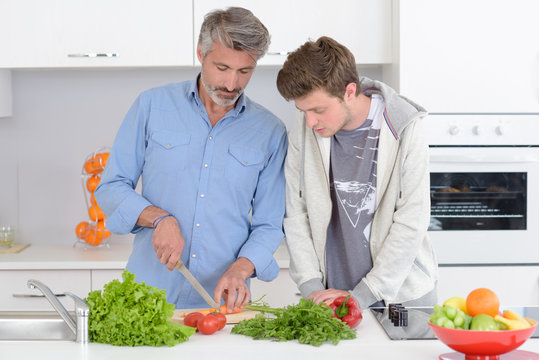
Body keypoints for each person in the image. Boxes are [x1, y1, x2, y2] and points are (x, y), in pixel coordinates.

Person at [95, 7, 288, 311]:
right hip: (149, 296)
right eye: (222, 67)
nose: (230, 84)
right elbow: (110, 187)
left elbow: (269, 223)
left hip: (221, 305)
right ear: (200, 53)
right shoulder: (151, 106)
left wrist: (241, 269)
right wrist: (159, 217)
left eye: (244, 72)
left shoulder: (270, 131)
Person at [276, 36, 438, 309]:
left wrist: (364, 294)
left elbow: (412, 220)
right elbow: (296, 211)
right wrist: (311, 287)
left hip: (400, 300)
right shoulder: (305, 127)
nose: (310, 121)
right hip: (328, 299)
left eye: (318, 109)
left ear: (349, 92)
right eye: (303, 110)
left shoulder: (406, 126)